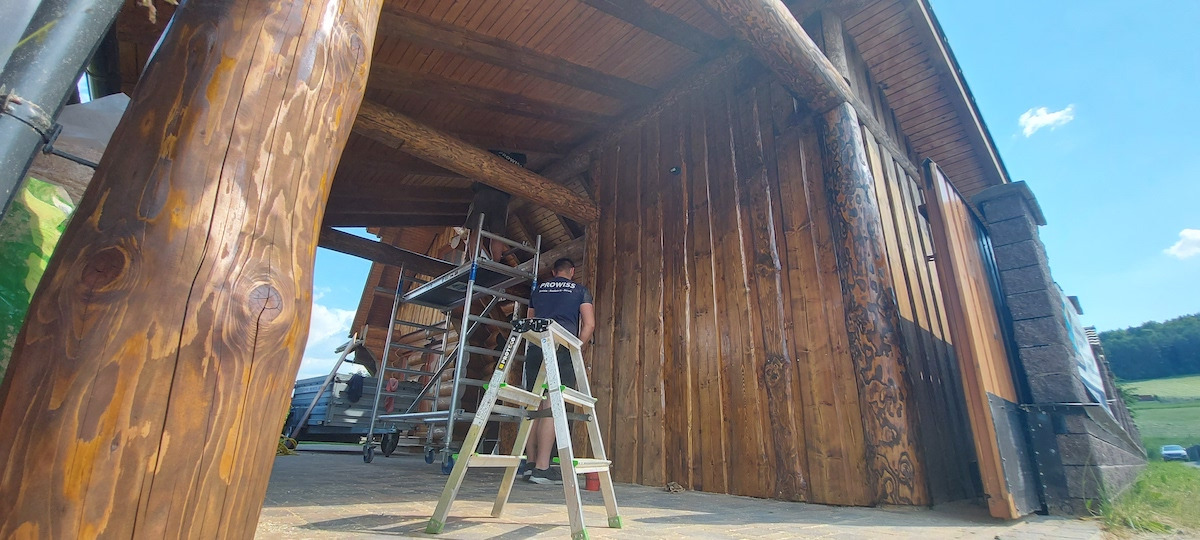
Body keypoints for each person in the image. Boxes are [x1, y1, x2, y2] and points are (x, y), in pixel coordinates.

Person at [523, 258, 594, 485]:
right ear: (572, 271)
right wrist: (577, 347)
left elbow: (530, 321)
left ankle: (530, 464)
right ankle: (542, 468)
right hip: (561, 347)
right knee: (552, 406)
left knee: (534, 404)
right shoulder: (580, 290)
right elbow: (589, 324)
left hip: (537, 347)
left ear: (554, 272)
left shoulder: (538, 290)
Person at [465, 151, 524, 260]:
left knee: (477, 229)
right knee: (497, 233)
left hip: (484, 192)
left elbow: (478, 166)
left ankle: (474, 259)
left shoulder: (495, 149)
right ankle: (496, 262)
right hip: (502, 197)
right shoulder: (521, 157)